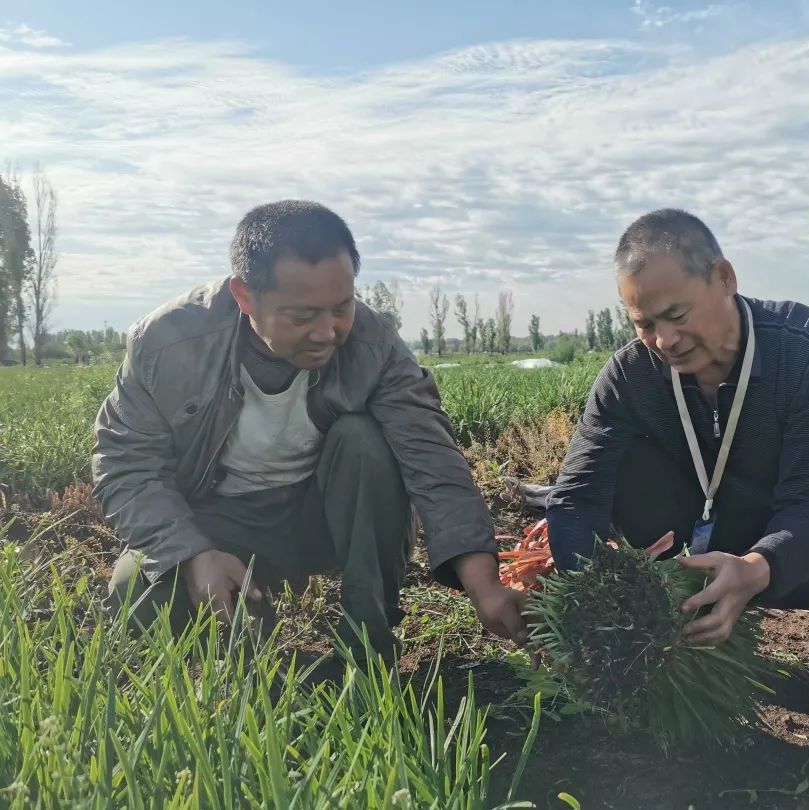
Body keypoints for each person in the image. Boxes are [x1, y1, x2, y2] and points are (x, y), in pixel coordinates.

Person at [544, 208, 809, 743]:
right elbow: (575, 496)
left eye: (677, 314)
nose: (665, 340)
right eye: (645, 323)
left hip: (805, 552)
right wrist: (586, 608)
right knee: (612, 466)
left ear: (724, 278)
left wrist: (759, 565)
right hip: (695, 559)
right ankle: (673, 631)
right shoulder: (629, 377)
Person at [93, 199, 528, 662]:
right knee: (134, 591)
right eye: (302, 317)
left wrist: (484, 585)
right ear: (245, 296)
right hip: (220, 521)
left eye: (342, 308)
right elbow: (126, 464)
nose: (327, 332)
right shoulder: (167, 343)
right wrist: (194, 554)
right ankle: (242, 647)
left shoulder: (374, 343)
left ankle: (367, 647)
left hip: (322, 514)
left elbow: (432, 458)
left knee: (364, 441)